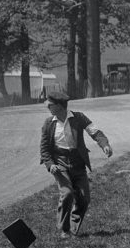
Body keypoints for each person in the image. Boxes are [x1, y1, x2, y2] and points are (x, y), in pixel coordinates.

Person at [38, 92, 113, 239]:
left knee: (84, 199)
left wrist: (105, 145)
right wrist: (50, 164)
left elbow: (95, 132)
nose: (47, 107)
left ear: (59, 106)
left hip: (78, 163)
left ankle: (73, 227)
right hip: (59, 163)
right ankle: (64, 230)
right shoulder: (48, 123)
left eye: (50, 105)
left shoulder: (79, 118)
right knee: (67, 193)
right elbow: (44, 149)